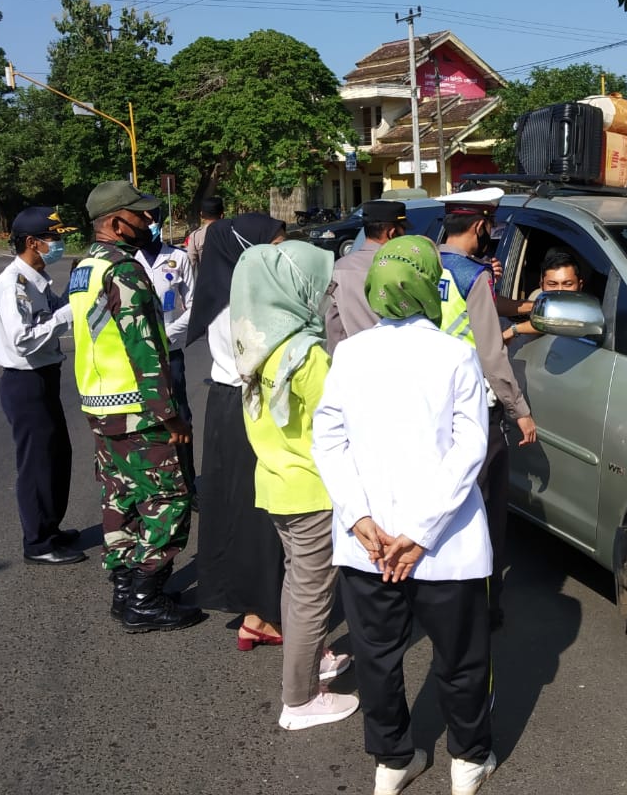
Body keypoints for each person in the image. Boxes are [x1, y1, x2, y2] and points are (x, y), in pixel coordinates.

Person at [312, 235, 496, 795]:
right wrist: (418, 534)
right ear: (428, 285)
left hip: (367, 545)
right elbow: (470, 450)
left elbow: (328, 438)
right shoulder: (455, 354)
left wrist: (358, 516)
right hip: (445, 546)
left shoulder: (349, 353)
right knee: (462, 657)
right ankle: (468, 760)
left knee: (376, 657)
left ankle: (392, 759)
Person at [230, 241, 358, 731]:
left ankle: (316, 660)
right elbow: (342, 423)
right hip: (313, 491)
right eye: (319, 285)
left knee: (297, 581)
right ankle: (300, 699)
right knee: (311, 592)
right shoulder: (307, 355)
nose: (327, 294)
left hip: (278, 483)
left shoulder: (257, 344)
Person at [66, 180, 203, 632]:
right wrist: (170, 412)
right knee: (168, 500)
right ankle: (145, 596)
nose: (148, 222)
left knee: (120, 497)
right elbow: (144, 346)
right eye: (140, 216)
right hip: (138, 408)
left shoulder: (83, 267)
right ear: (115, 222)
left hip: (101, 404)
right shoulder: (123, 269)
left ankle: (125, 589)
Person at [187, 214, 293, 651]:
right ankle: (262, 612)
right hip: (253, 404)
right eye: (275, 246)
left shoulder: (223, 290)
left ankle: (255, 609)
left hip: (226, 404)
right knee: (263, 512)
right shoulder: (248, 299)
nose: (281, 255)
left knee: (237, 508)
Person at [439, 202, 536, 630]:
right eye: (489, 227)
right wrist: (520, 410)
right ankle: (483, 603)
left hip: (434, 403)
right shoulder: (472, 274)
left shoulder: (428, 264)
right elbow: (491, 351)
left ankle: (441, 594)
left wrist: (519, 308)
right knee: (486, 513)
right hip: (475, 406)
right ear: (479, 225)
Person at [0, 206, 84, 566]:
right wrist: (67, 313)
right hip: (25, 381)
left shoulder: (37, 279)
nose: (58, 244)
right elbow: (23, 340)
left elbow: (53, 313)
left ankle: (51, 526)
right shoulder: (14, 283)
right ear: (32, 242)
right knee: (36, 463)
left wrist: (72, 297)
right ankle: (37, 542)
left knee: (57, 455)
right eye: (53, 238)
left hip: (45, 377)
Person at [134, 212, 198, 505]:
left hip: (170, 351)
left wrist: (168, 333)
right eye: (142, 219)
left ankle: (187, 486)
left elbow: (194, 304)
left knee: (180, 417)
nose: (148, 226)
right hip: (136, 355)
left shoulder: (179, 258)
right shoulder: (126, 260)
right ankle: (152, 488)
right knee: (144, 421)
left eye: (152, 220)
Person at [322, 199, 408, 354]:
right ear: (392, 232)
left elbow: (334, 324)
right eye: (404, 231)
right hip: (396, 359)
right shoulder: (403, 267)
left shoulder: (339, 268)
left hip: (355, 360)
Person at [502, 247, 584, 343]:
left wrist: (515, 329)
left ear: (580, 286)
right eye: (552, 284)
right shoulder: (539, 307)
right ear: (542, 287)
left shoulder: (587, 311)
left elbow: (558, 322)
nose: (560, 291)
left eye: (568, 284)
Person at [185, 195, 223, 270]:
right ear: (222, 214)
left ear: (202, 215)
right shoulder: (232, 232)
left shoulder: (196, 236)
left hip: (206, 279)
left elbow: (190, 263)